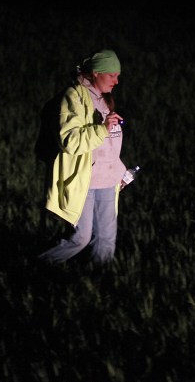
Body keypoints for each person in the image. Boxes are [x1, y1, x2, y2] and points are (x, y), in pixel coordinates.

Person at [38, 49, 131, 264]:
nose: (116, 81)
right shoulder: (73, 97)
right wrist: (102, 128)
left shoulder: (104, 100)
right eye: (112, 75)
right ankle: (39, 265)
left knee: (106, 239)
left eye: (118, 76)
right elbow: (70, 140)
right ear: (96, 73)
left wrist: (119, 172)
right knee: (80, 238)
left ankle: (99, 276)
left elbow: (108, 145)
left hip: (107, 180)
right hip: (84, 181)